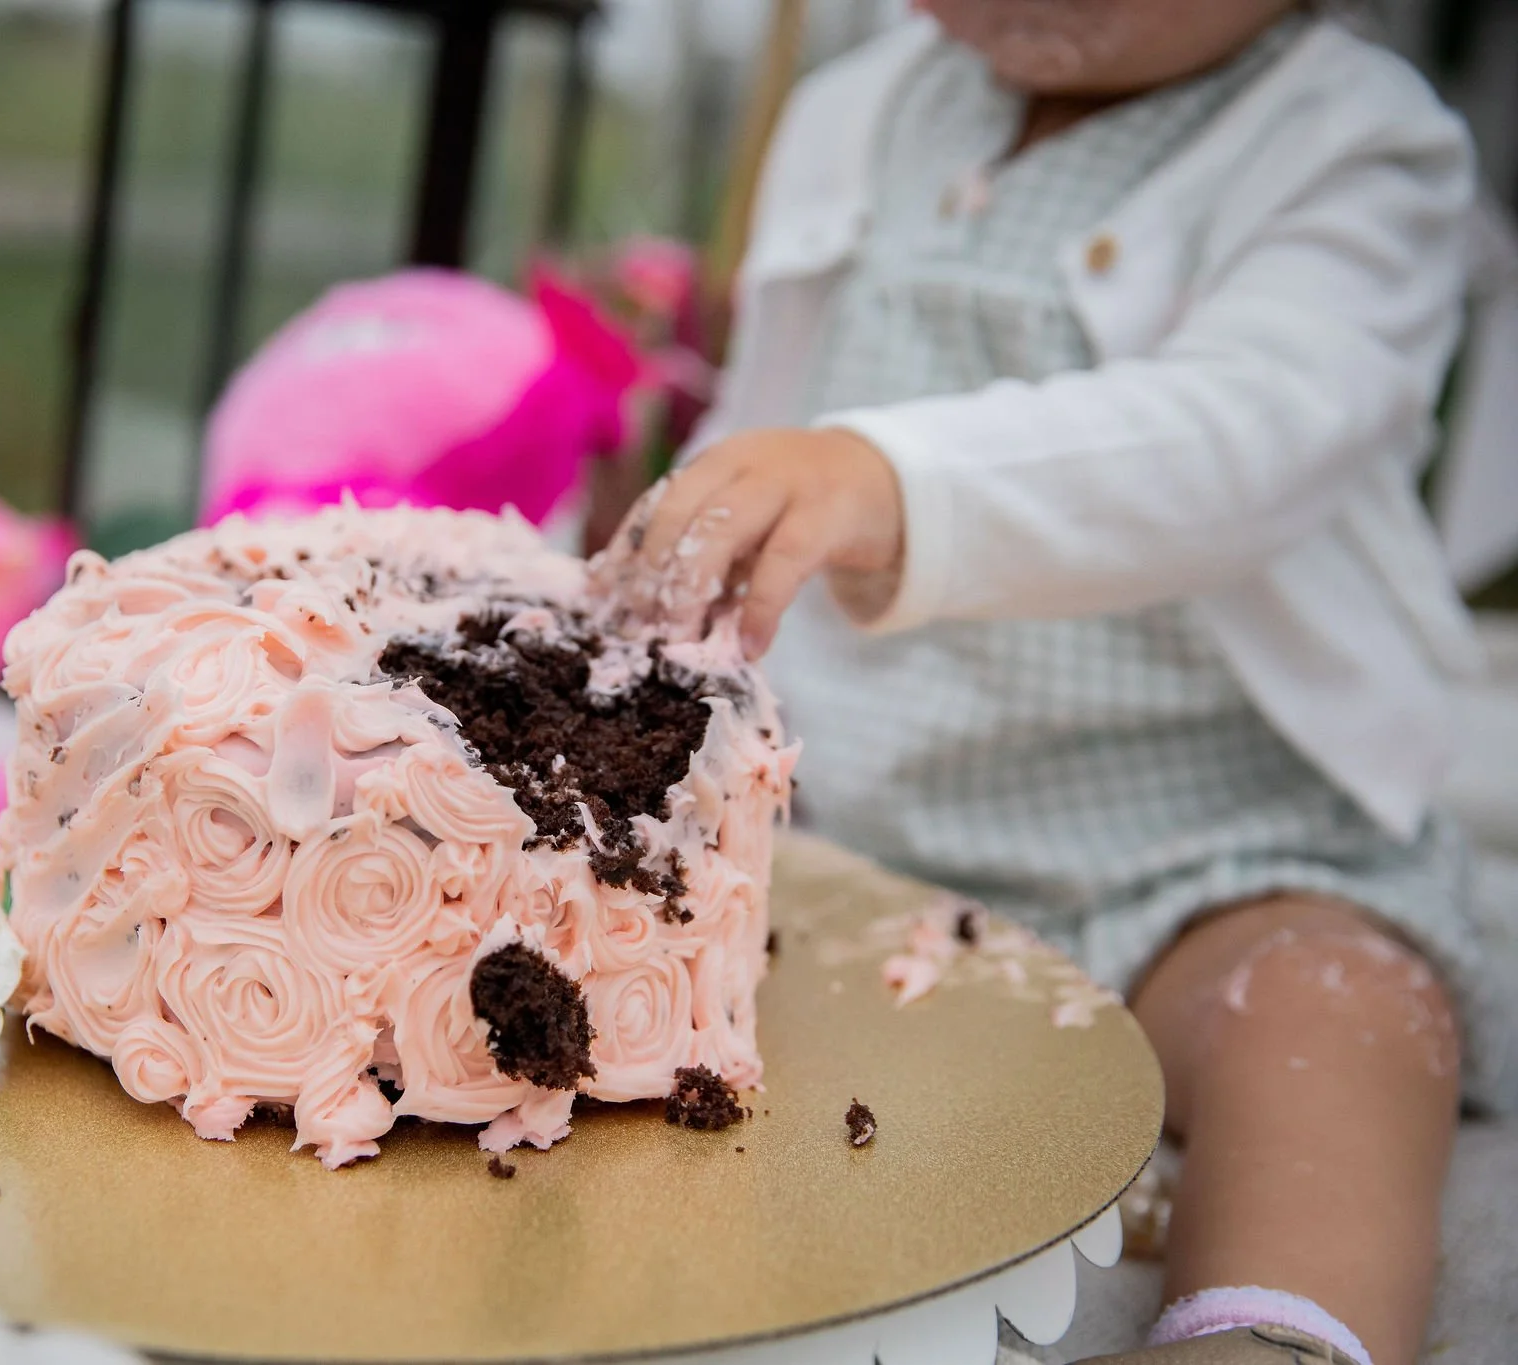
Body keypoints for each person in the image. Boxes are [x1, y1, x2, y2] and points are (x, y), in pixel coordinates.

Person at [595, 3, 1514, 1362]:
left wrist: (887, 478)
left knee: (1341, 1011)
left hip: (1205, 848)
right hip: (856, 847)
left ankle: (1264, 1329)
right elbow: (777, 405)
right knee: (616, 938)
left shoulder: (1354, 145)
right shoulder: (862, 110)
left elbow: (1248, 436)